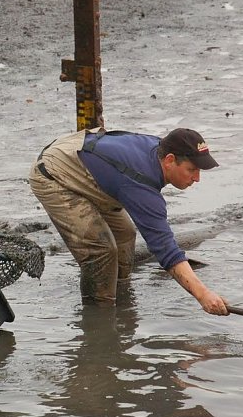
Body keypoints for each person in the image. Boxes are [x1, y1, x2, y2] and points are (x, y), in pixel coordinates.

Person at [28, 126, 228, 315]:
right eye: (192, 169)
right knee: (101, 249)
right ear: (169, 160)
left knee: (125, 235)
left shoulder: (162, 149)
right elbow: (166, 250)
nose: (197, 178)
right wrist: (203, 295)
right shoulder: (141, 185)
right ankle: (99, 317)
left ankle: (120, 300)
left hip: (91, 162)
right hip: (54, 172)